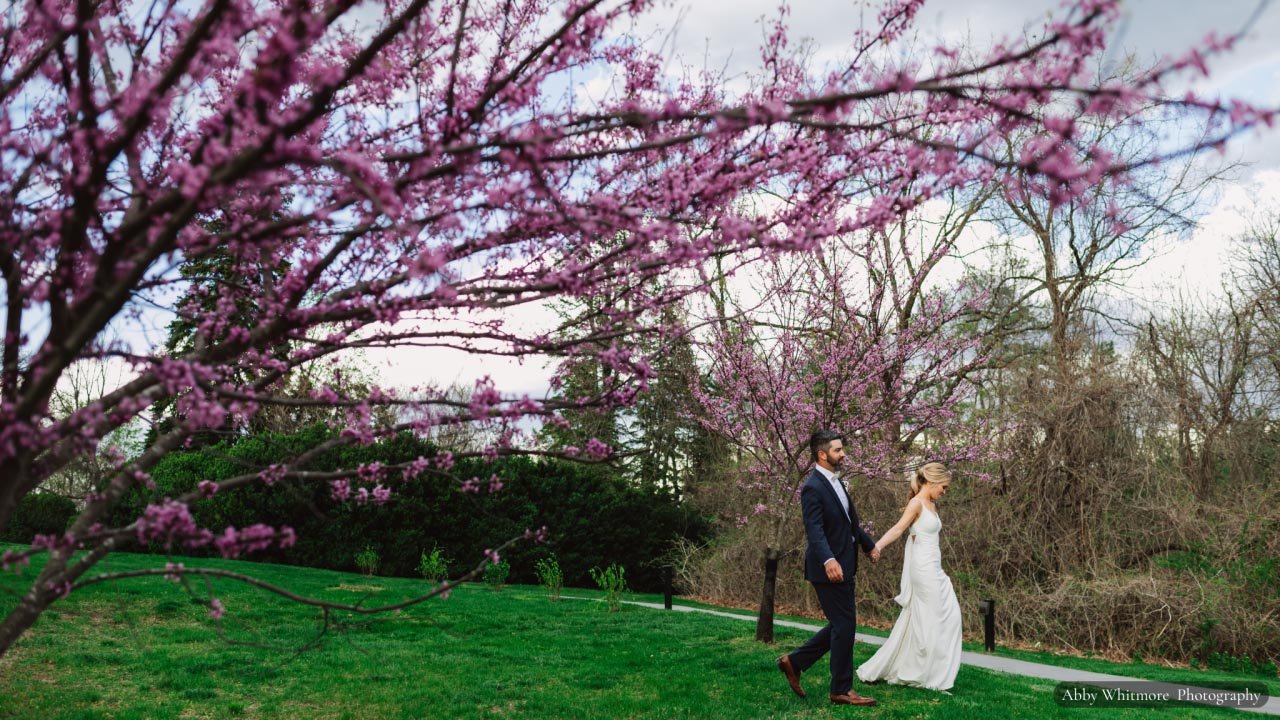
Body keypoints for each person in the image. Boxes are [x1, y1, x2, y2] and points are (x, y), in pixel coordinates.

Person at [776, 430, 881, 707]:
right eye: (837, 450)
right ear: (822, 454)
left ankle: (794, 662)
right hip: (828, 568)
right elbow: (815, 530)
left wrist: (868, 545)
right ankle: (841, 690)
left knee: (840, 625)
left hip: (846, 563)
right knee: (845, 625)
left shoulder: (837, 482)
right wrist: (828, 560)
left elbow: (850, 522)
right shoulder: (812, 487)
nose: (843, 453)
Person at [855, 462, 962, 692]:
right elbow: (898, 529)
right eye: (943, 487)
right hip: (923, 569)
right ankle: (927, 676)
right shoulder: (916, 503)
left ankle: (925, 670)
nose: (945, 492)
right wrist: (877, 547)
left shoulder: (931, 504)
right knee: (932, 619)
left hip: (934, 567)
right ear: (932, 482)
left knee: (946, 616)